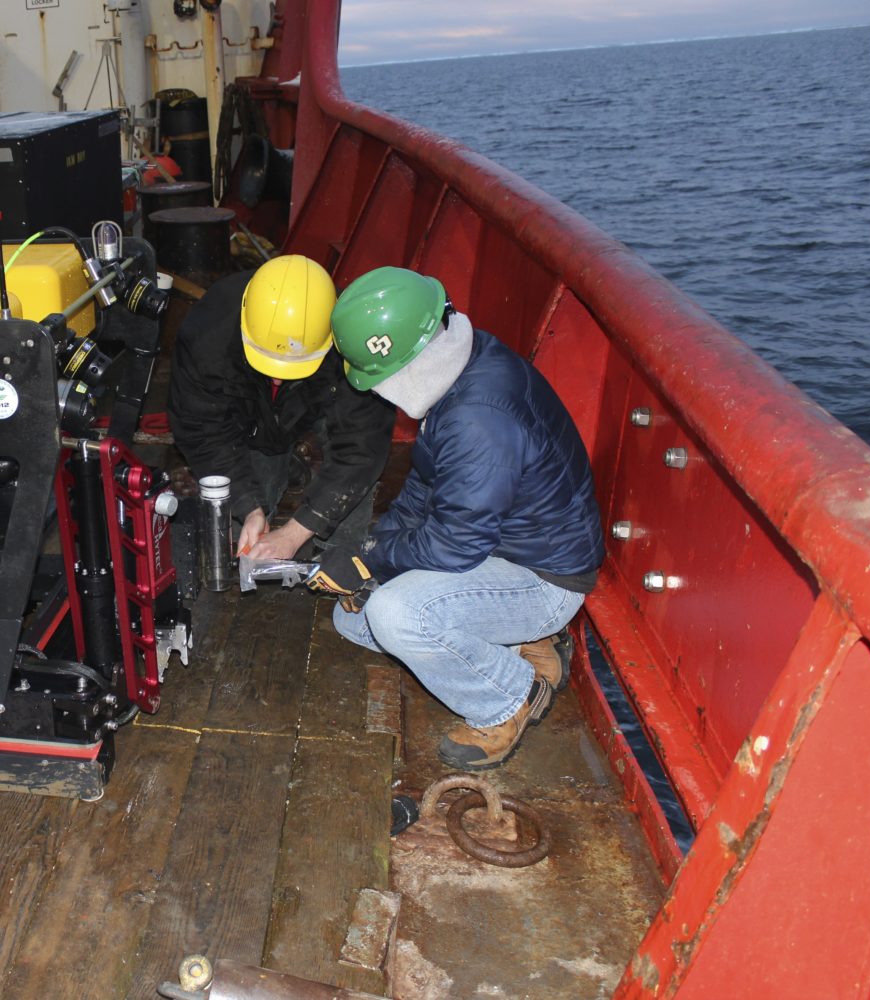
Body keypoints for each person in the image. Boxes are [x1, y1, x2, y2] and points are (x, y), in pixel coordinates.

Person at [309, 266, 604, 770]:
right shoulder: (460, 365)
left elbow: (454, 544)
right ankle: (527, 640)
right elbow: (424, 490)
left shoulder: (477, 418)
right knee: (353, 620)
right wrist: (374, 555)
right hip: (498, 547)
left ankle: (510, 698)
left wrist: (369, 559)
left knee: (396, 616)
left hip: (542, 576)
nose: (377, 392)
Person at [168, 255, 395, 560]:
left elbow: (361, 449)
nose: (278, 375)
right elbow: (203, 432)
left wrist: (296, 531)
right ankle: (285, 470)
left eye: (294, 365)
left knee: (346, 507)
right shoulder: (208, 334)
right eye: (269, 361)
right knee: (243, 533)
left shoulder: (353, 342)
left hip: (317, 398)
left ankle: (341, 563)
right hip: (252, 416)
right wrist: (249, 505)